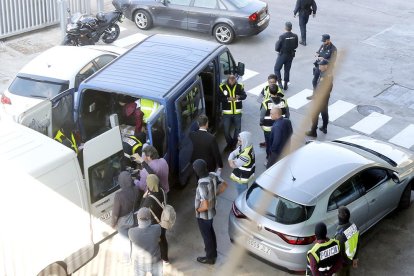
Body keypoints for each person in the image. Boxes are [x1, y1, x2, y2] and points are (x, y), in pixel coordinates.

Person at [192, 159, 227, 265]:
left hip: (203, 216)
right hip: (211, 213)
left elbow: (205, 205)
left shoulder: (202, 184)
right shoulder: (212, 175)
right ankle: (213, 252)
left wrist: (197, 210)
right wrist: (215, 195)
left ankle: (209, 257)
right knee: (210, 232)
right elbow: (225, 185)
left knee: (206, 236)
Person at [111, 171, 140, 263]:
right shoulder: (136, 189)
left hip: (123, 223)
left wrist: (113, 224)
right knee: (135, 238)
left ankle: (127, 259)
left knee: (125, 240)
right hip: (135, 218)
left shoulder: (118, 196)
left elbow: (115, 214)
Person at [140, 174, 170, 264]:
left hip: (156, 224)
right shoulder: (162, 191)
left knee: (156, 241)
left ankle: (157, 259)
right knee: (163, 238)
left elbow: (141, 209)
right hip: (164, 220)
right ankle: (165, 259)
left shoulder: (149, 200)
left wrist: (143, 197)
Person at [128, 207, 163, 276]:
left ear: (138, 219)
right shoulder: (157, 228)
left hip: (140, 263)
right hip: (155, 261)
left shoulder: (131, 232)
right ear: (150, 219)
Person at [260, 85, 290, 161]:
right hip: (280, 127)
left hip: (268, 128)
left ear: (269, 92)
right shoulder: (283, 101)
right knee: (279, 142)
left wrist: (261, 124)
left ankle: (269, 157)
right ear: (278, 91)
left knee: (269, 143)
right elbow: (287, 113)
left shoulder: (266, 102)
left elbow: (262, 116)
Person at [218, 74, 247, 150]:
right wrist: (227, 99)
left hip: (237, 112)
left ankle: (233, 144)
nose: (232, 80)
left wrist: (239, 97)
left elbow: (244, 96)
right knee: (226, 130)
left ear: (235, 79)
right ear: (228, 79)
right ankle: (230, 143)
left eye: (233, 79)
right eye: (231, 79)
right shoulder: (222, 86)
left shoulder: (239, 86)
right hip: (227, 113)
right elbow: (219, 98)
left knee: (238, 129)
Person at [305, 59, 333, 138]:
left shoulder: (325, 75)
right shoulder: (327, 73)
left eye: (321, 65)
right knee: (324, 112)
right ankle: (324, 127)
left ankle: (313, 131)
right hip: (325, 97)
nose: (319, 67)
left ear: (326, 66)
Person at [257, 74, 284, 148]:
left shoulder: (279, 91)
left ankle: (272, 144)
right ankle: (267, 142)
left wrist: (269, 103)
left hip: (275, 113)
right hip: (267, 112)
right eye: (269, 82)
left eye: (273, 82)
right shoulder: (265, 88)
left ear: (276, 82)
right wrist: (265, 102)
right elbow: (259, 99)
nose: (271, 84)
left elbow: (280, 103)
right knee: (268, 129)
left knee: (274, 130)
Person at [308, 34, 337, 99]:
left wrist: (324, 59)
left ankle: (322, 97)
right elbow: (318, 52)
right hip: (319, 66)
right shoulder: (322, 45)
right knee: (314, 81)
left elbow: (333, 61)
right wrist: (317, 54)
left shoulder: (333, 49)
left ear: (328, 40)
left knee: (321, 84)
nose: (323, 42)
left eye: (324, 41)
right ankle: (314, 94)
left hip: (326, 69)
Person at [335, 206, 359, 276]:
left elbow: (339, 254)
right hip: (350, 259)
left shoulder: (340, 236)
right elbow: (358, 244)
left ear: (339, 218)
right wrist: (355, 258)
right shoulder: (354, 227)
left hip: (343, 264)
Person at [274, 21, 299, 91]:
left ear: (285, 28)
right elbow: (296, 46)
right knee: (287, 70)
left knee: (277, 68)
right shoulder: (295, 36)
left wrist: (280, 50)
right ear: (291, 28)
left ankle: (279, 83)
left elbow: (276, 48)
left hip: (282, 55)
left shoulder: (282, 36)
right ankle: (285, 84)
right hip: (290, 55)